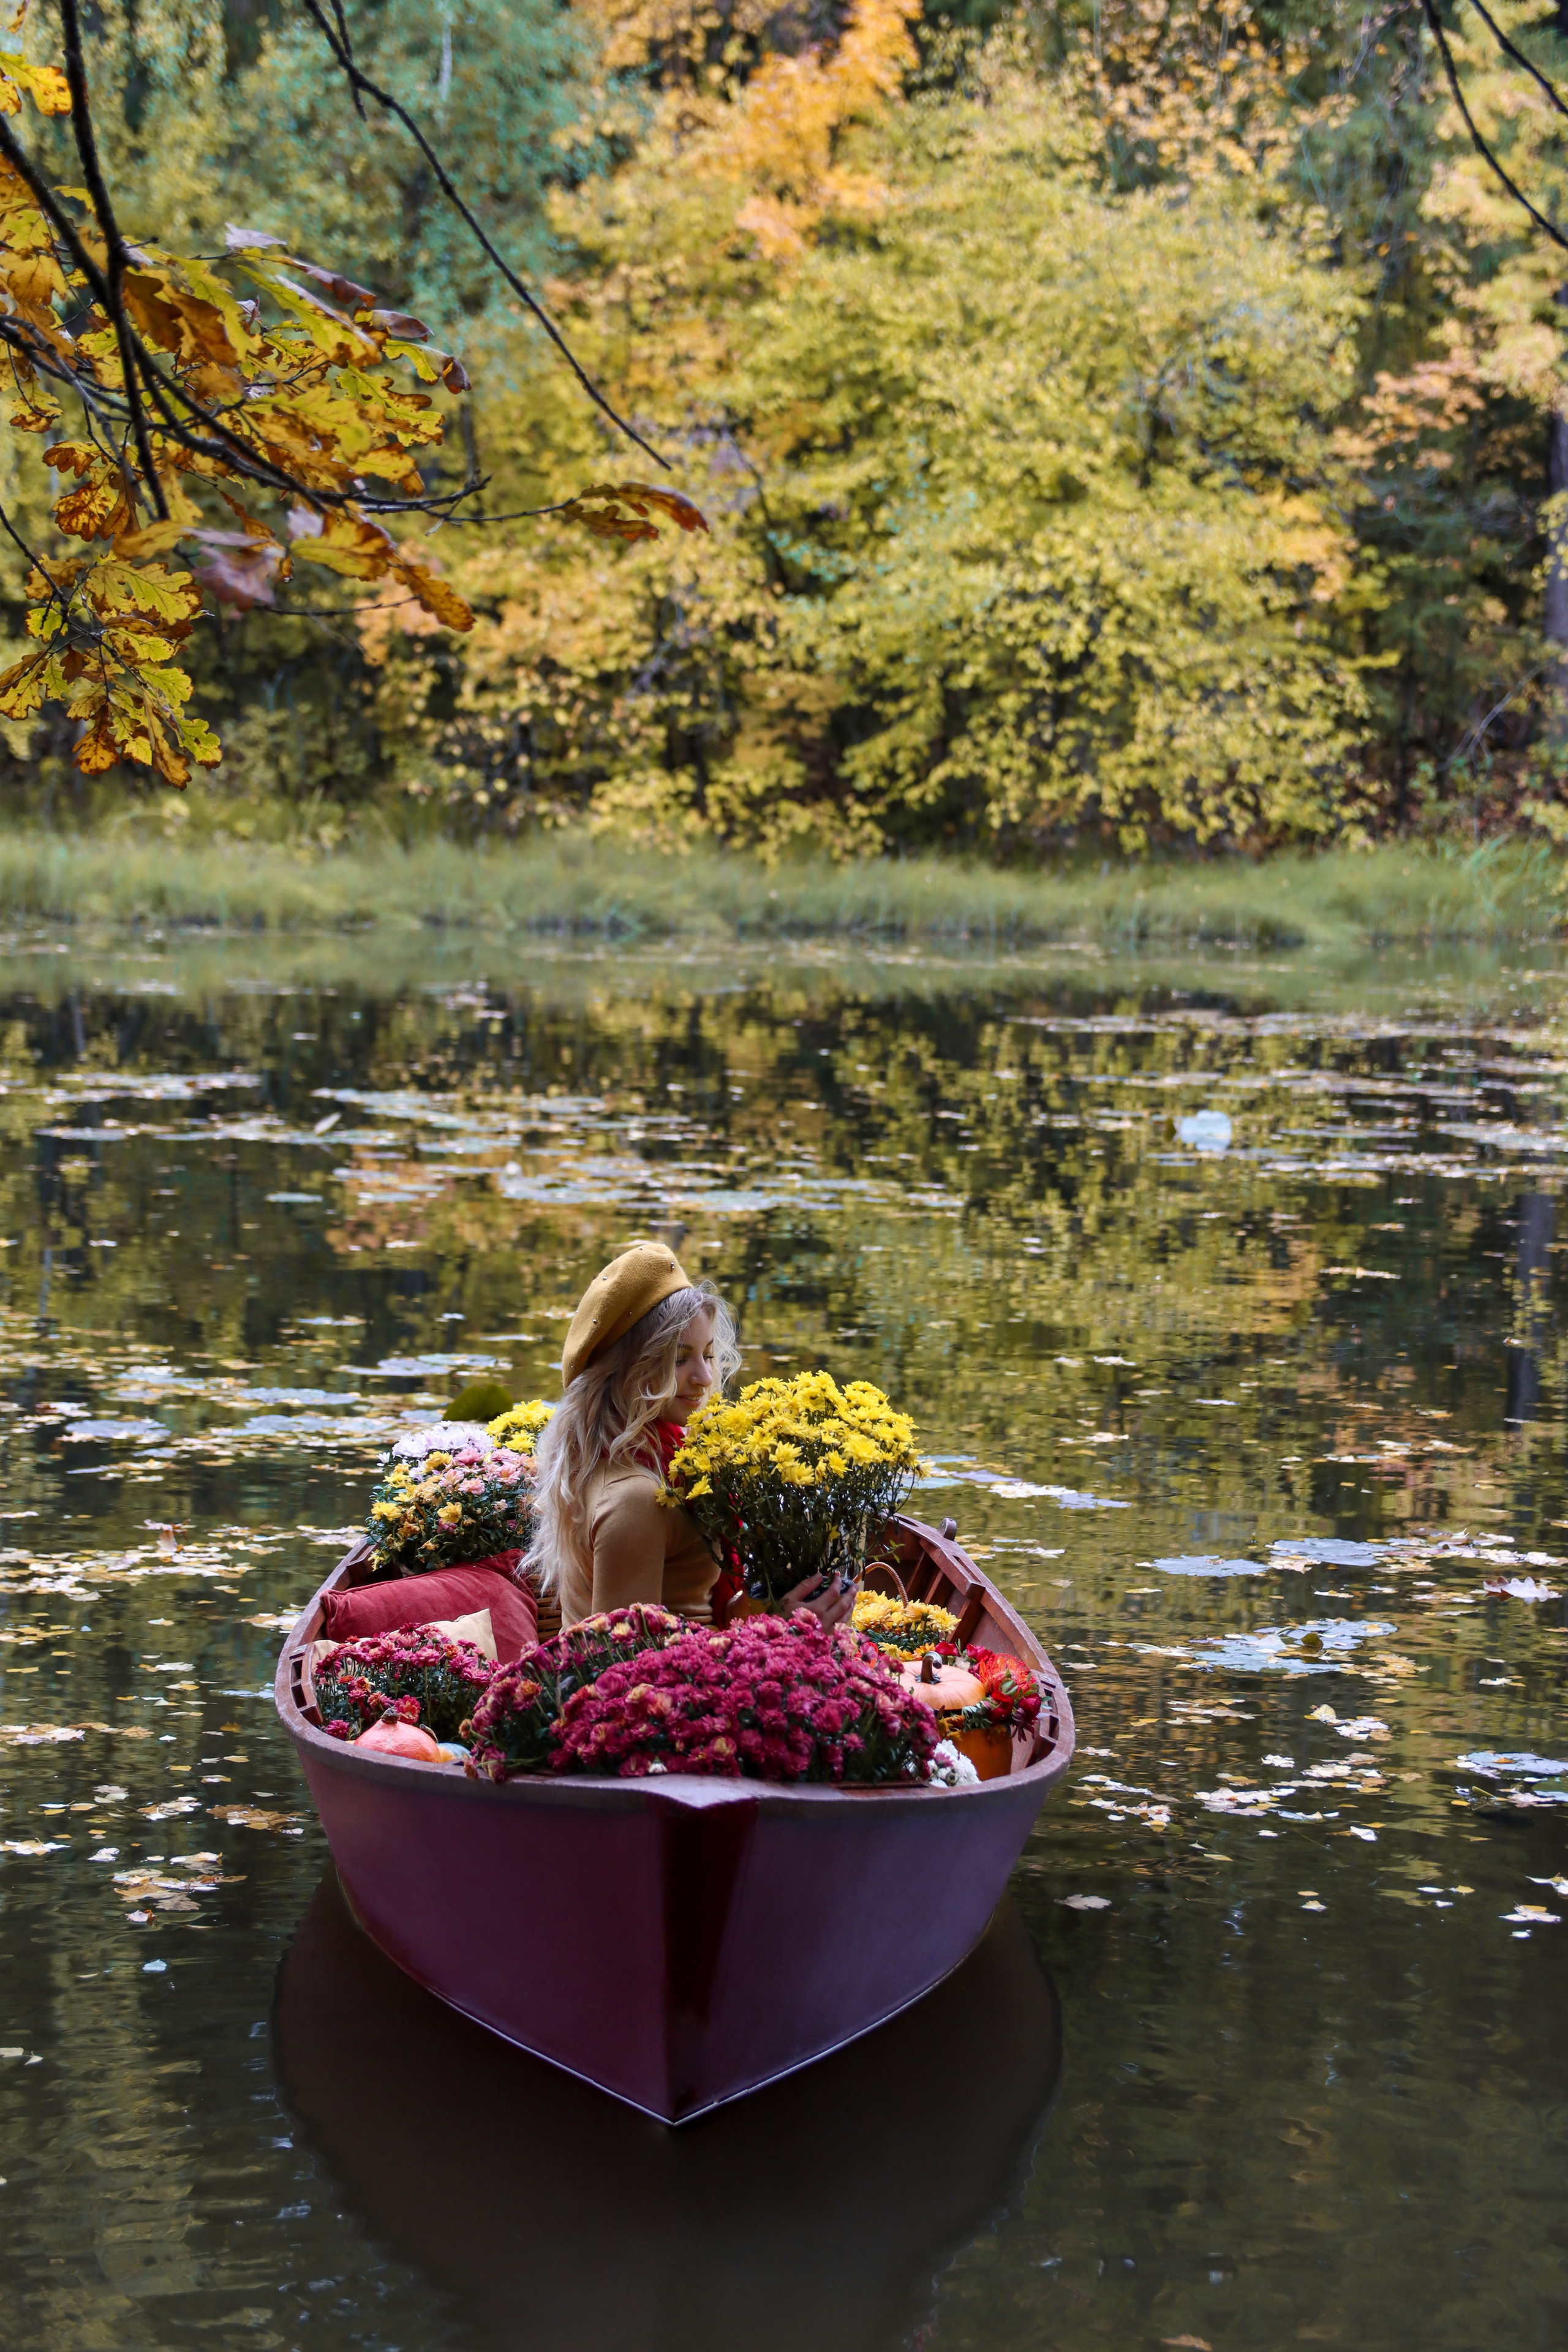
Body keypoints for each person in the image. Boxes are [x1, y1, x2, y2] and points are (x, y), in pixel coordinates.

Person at [527, 1242, 860, 1633]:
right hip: (679, 1688)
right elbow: (625, 1679)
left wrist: (771, 1607)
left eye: (708, 1355)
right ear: (626, 1369)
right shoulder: (635, 1499)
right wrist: (782, 1633)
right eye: (679, 1359)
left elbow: (690, 1607)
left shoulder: (655, 1456)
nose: (703, 1378)